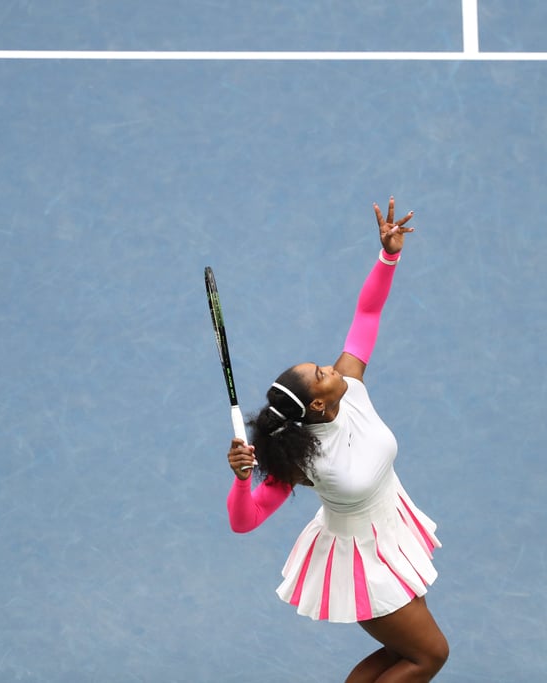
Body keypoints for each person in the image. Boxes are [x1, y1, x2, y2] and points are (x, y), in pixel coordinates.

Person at [224, 197, 448, 682]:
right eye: (322, 374)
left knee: (400, 654)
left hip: (394, 533)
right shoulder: (304, 461)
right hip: (360, 562)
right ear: (319, 405)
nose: (331, 366)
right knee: (428, 655)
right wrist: (243, 480)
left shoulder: (352, 385)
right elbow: (245, 521)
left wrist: (388, 255)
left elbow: (367, 312)